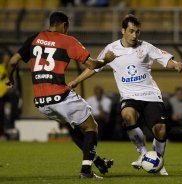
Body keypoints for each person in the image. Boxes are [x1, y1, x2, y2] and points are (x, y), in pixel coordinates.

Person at [68, 14, 182, 175]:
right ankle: (143, 154)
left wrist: (176, 64)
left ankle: (157, 161)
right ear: (123, 30)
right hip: (130, 97)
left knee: (161, 130)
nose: (134, 35)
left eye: (137, 32)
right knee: (128, 115)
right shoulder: (112, 49)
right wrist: (76, 81)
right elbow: (94, 67)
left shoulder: (146, 47)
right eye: (131, 31)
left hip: (151, 95)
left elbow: (164, 59)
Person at [5, 11, 116, 179]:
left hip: (42, 103)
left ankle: (97, 161)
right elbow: (92, 64)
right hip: (60, 97)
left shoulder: (34, 38)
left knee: (74, 129)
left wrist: (11, 79)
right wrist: (106, 59)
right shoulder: (68, 41)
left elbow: (13, 61)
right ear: (65, 25)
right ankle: (86, 171)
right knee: (91, 126)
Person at [0, 48, 21, 140]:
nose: (7, 59)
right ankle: (2, 130)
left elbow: (17, 83)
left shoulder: (13, 69)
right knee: (1, 112)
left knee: (14, 105)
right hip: (1, 94)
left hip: (10, 93)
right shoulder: (1, 68)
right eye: (6, 57)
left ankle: (10, 125)